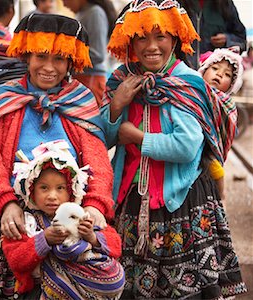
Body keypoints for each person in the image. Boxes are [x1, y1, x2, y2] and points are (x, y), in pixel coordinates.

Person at [101, 0, 247, 298]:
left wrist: (137, 137)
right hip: (132, 198)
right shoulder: (120, 81)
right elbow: (103, 138)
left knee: (187, 289)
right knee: (133, 287)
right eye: (142, 36)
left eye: (160, 37)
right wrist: (117, 105)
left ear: (176, 39)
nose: (151, 46)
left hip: (182, 200)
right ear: (129, 39)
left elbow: (186, 147)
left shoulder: (188, 83)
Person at [0, 13, 115, 299]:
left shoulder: (79, 101)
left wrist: (95, 205)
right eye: (41, 56)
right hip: (12, 223)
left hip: (68, 224)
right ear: (26, 56)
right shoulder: (4, 99)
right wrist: (6, 203)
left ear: (71, 62)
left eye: (59, 59)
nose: (48, 67)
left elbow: (98, 160)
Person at [2, 140, 125, 299]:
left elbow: (115, 246)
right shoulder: (26, 222)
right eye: (44, 188)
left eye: (60, 188)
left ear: (71, 190)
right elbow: (16, 260)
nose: (52, 196)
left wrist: (92, 237)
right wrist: (43, 240)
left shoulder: (82, 216)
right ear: (31, 190)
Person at [197, 47, 243, 201]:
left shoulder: (226, 103)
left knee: (217, 171)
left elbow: (225, 130)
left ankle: (220, 197)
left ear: (231, 84)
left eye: (227, 74)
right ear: (204, 70)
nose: (219, 74)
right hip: (191, 141)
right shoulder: (192, 91)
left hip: (209, 150)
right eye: (215, 68)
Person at [62, 0, 118, 105]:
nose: (64, 4)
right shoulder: (81, 13)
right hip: (81, 79)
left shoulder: (95, 12)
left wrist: (68, 62)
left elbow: (97, 54)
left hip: (92, 80)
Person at [178, 0, 247, 69]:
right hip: (180, 71)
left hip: (213, 73)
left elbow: (241, 40)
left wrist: (227, 40)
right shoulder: (176, 3)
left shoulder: (225, 3)